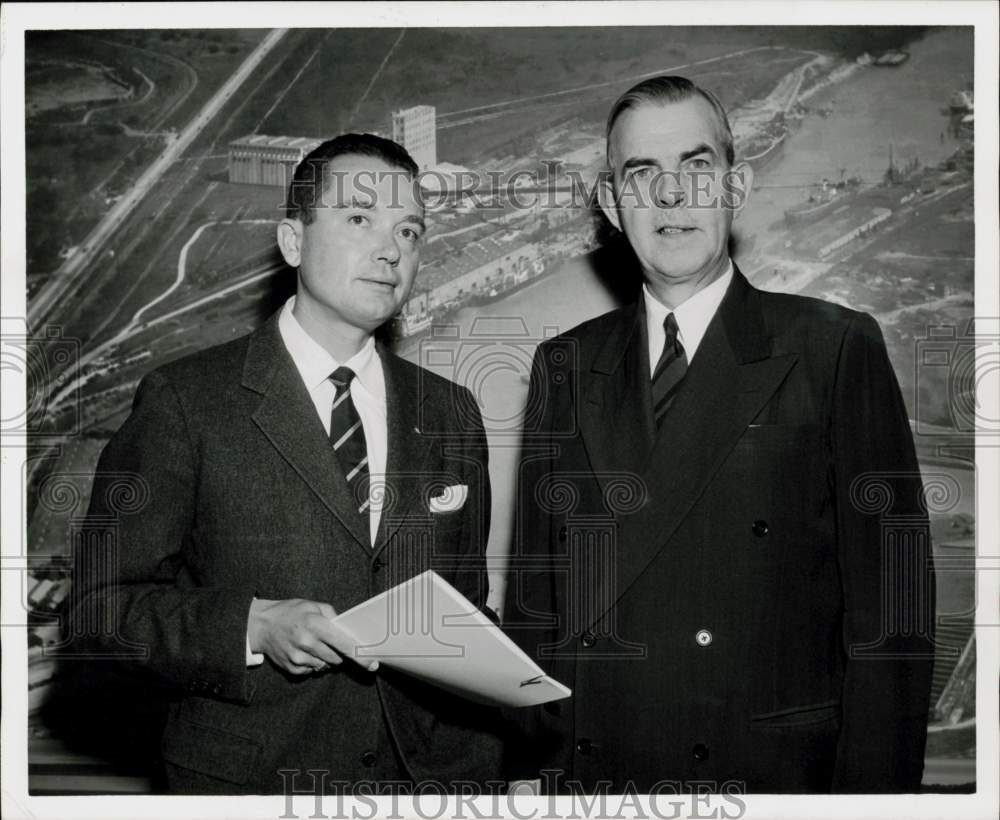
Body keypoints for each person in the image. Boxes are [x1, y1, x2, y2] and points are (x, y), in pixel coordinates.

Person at [503, 76, 935, 794]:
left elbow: (893, 616)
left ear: (736, 186)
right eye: (642, 173)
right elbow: (534, 604)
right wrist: (525, 773)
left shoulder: (832, 347)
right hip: (594, 777)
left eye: (696, 167)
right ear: (612, 205)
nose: (671, 195)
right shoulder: (564, 365)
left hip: (766, 778)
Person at [70, 133, 502, 794]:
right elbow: (100, 614)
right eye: (359, 219)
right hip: (256, 783)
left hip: (437, 783)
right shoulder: (186, 402)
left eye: (409, 231)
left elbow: (465, 607)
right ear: (292, 241)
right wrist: (250, 626)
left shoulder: (450, 411)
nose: (390, 250)